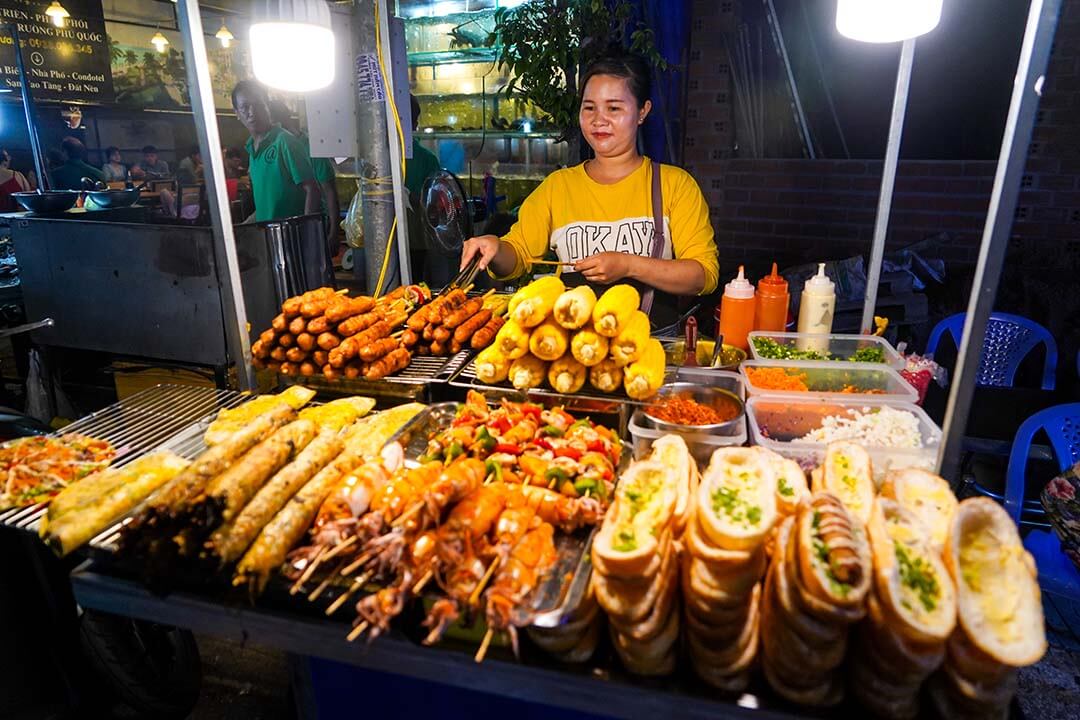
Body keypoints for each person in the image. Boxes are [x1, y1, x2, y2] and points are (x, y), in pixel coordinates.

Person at [460, 50, 719, 330]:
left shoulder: (674, 185)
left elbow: (702, 276)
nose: (599, 120)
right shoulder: (558, 187)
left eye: (614, 108)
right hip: (571, 347)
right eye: (589, 107)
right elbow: (518, 256)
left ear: (642, 112)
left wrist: (629, 265)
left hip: (651, 346)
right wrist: (496, 249)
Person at [231, 80, 320, 223]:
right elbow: (266, 206)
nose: (252, 112)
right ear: (236, 113)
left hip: (291, 238)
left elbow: (312, 190)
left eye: (258, 104)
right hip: (268, 239)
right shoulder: (252, 150)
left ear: (267, 106)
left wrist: (306, 232)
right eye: (245, 107)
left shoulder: (285, 142)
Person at [268, 100, 340, 254]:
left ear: (280, 123)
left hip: (313, 228)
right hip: (283, 229)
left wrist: (334, 232)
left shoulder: (311, 147)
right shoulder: (270, 150)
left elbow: (329, 191)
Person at [405, 94, 450, 287]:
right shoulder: (427, 159)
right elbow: (436, 206)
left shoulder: (377, 161)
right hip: (418, 242)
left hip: (414, 241)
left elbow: (435, 204)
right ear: (415, 123)